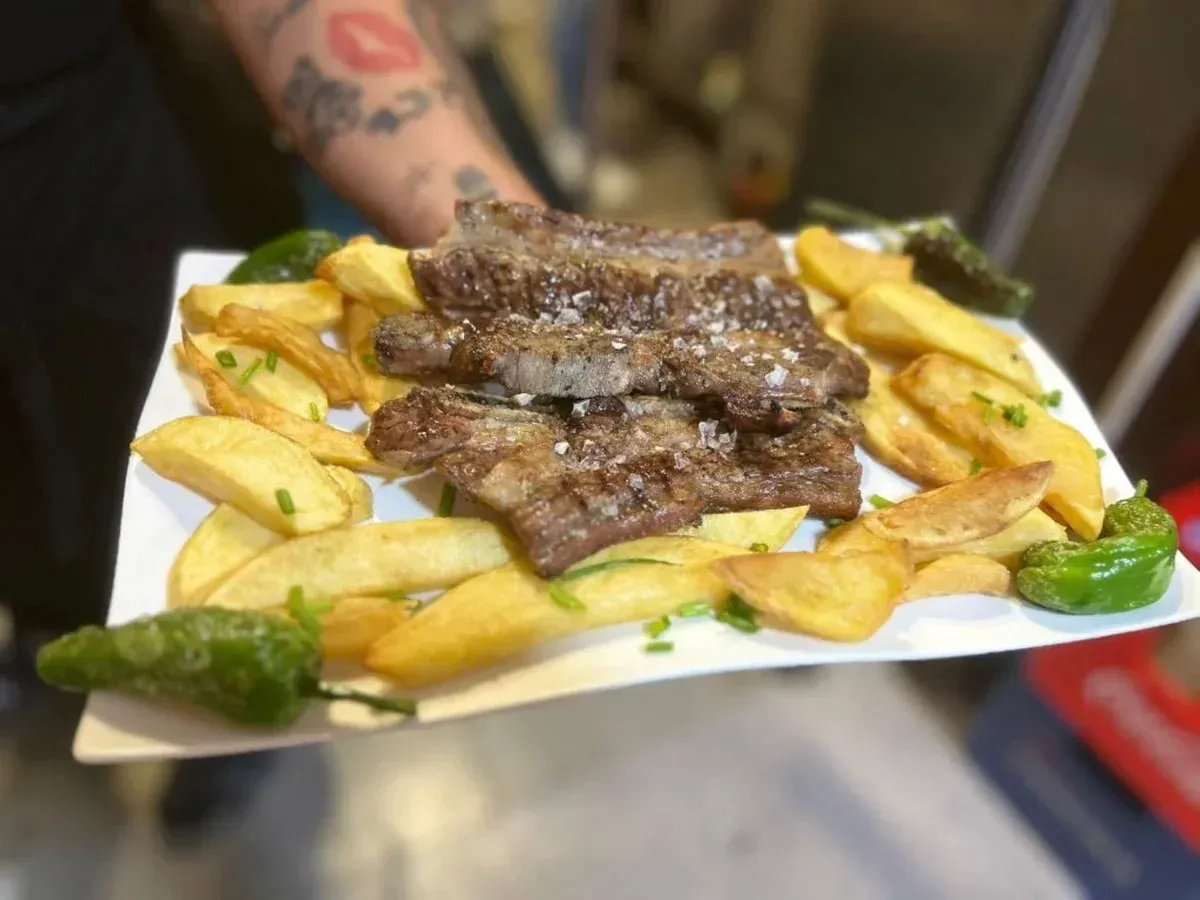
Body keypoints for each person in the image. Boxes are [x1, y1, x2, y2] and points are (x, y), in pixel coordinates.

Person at [0, 0, 541, 837]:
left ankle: (230, 733)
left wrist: (524, 258)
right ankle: (43, 631)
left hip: (100, 167)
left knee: (154, 495)